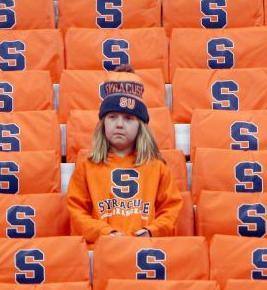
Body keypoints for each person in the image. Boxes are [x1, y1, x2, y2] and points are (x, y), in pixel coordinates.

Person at [67, 66, 183, 243]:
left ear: (140, 126)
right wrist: (104, 233)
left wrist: (152, 231)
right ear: (103, 123)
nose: (119, 124)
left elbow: (171, 208)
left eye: (128, 118)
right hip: (101, 252)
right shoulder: (87, 166)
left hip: (146, 252)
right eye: (112, 117)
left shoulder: (157, 166)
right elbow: (76, 210)